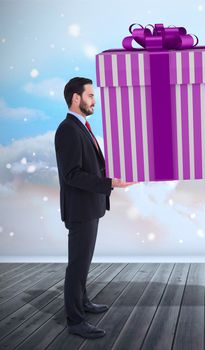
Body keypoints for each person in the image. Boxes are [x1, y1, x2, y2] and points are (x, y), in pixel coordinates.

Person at [54, 77, 137, 339]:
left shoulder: (82, 127)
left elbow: (90, 166)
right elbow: (72, 175)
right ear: (75, 98)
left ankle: (84, 303)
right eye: (90, 95)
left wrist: (114, 176)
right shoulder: (68, 129)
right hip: (80, 209)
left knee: (84, 261)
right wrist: (109, 182)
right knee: (77, 264)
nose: (94, 100)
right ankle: (75, 320)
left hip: (90, 206)